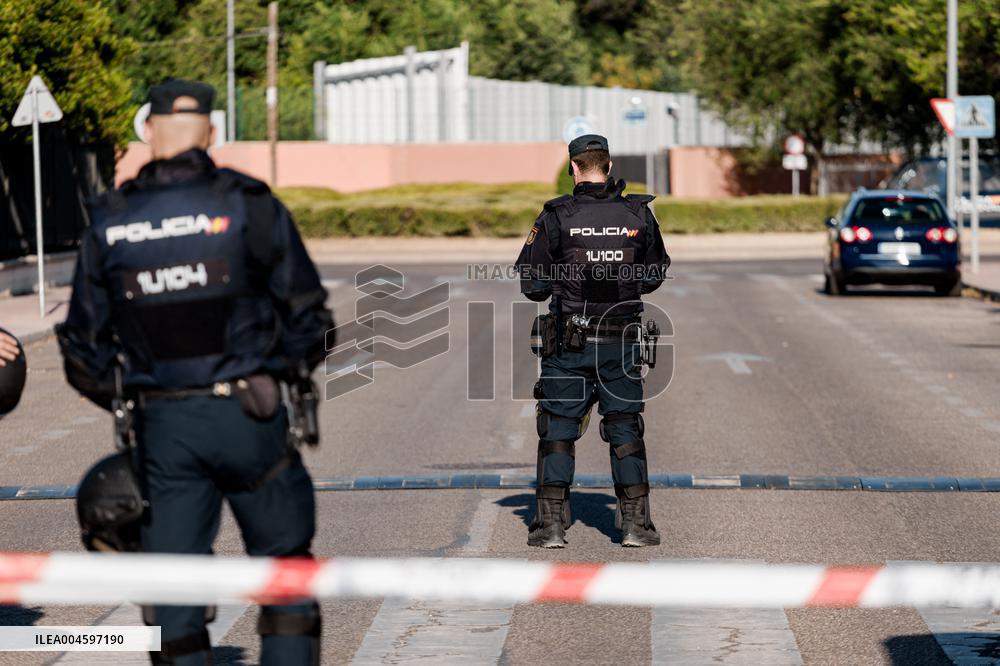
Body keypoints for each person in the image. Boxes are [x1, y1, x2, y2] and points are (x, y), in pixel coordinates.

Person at [56, 79, 332, 665]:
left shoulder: (110, 222)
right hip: (250, 413)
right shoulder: (248, 204)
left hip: (164, 426)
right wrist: (278, 372)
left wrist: (130, 396)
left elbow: (81, 347)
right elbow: (309, 317)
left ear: (147, 130)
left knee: (174, 591)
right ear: (211, 132)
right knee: (285, 571)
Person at [515, 134, 670, 548]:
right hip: (621, 345)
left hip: (569, 346)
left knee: (558, 430)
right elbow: (654, 276)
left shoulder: (556, 216)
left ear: (573, 168)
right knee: (624, 429)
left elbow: (532, 285)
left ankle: (550, 526)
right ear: (609, 166)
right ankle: (636, 525)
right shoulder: (638, 214)